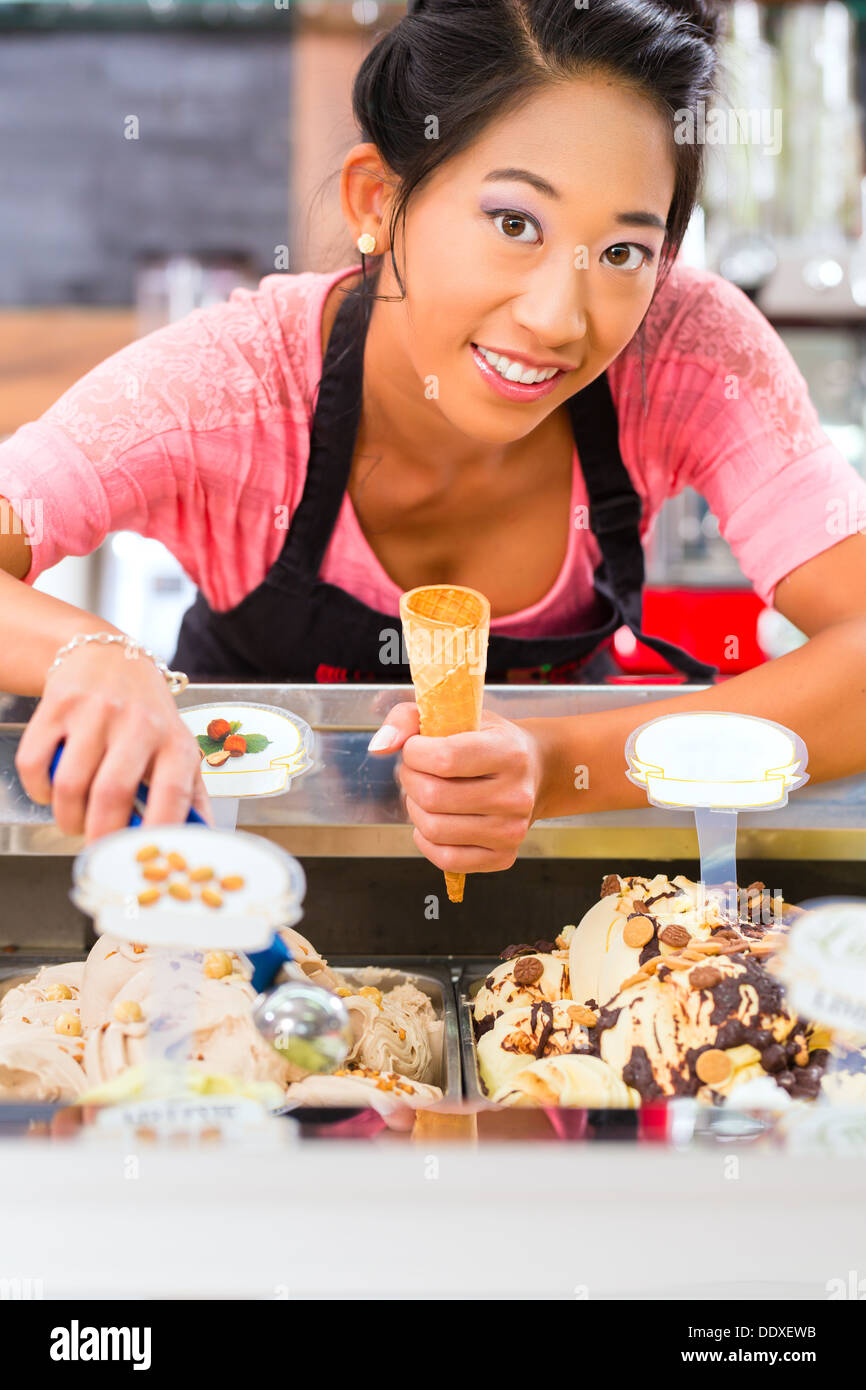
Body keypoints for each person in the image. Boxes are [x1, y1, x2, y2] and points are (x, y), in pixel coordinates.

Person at [1, 0, 865, 875]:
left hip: (552, 893)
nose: (558, 319)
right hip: (234, 886)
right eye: (514, 224)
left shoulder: (684, 350)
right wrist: (93, 652)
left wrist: (560, 766)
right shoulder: (230, 387)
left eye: (621, 253)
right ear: (379, 201)